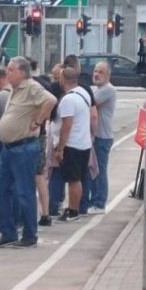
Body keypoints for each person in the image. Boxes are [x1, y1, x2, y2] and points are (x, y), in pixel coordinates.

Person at [0, 57, 56, 248]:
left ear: (22, 72)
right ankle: (8, 232)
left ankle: (29, 235)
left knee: (24, 191)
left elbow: (51, 100)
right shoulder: (14, 88)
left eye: (11, 70)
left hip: (23, 146)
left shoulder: (30, 86)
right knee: (0, 188)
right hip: (9, 148)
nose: (7, 73)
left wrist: (38, 121)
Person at [53, 67, 92, 222]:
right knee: (78, 179)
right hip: (84, 142)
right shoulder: (83, 93)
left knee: (73, 180)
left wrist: (60, 148)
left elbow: (66, 125)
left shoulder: (68, 100)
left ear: (63, 79)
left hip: (73, 144)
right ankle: (74, 208)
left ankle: (73, 211)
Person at [82, 61, 116, 215]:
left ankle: (99, 202)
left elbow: (88, 103)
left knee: (99, 170)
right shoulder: (97, 89)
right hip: (95, 136)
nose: (96, 74)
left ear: (108, 75)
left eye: (100, 72)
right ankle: (92, 200)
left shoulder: (107, 90)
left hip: (102, 136)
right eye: (95, 71)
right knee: (92, 169)